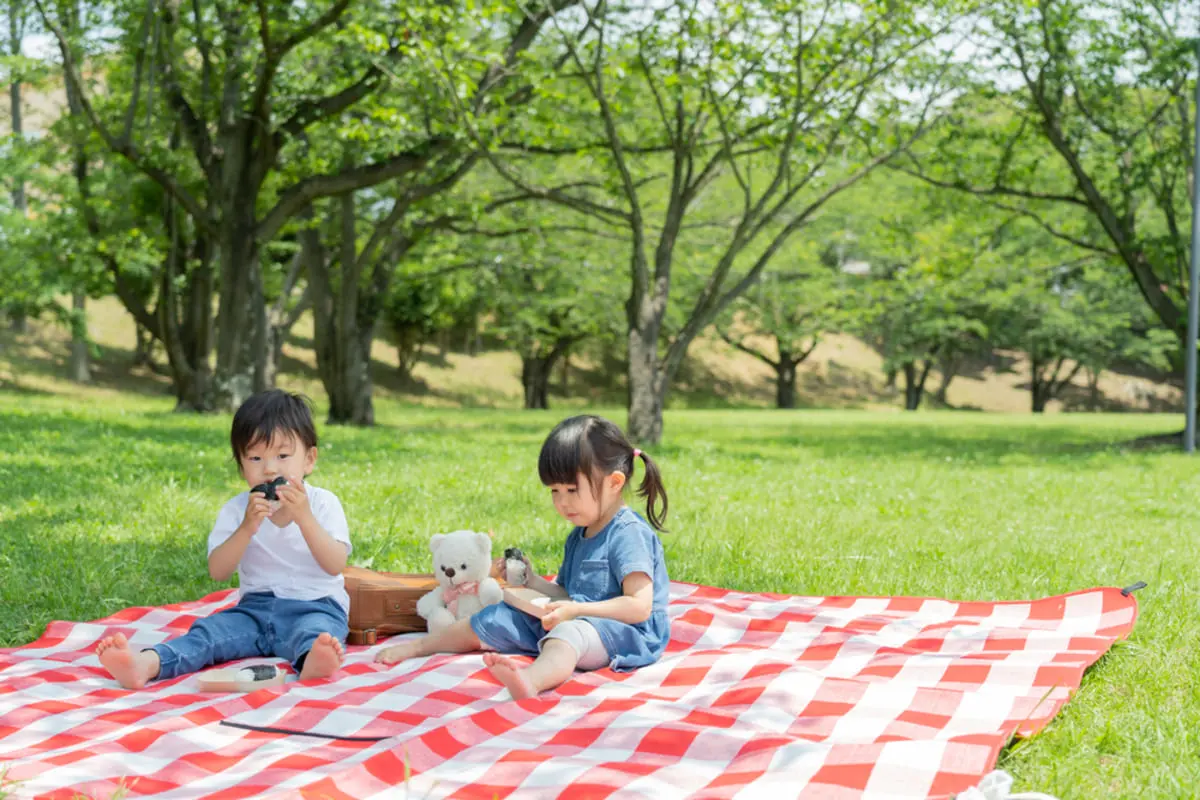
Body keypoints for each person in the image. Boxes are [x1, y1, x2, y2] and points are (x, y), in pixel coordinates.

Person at [376, 414, 671, 700]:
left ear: (614, 483)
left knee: (568, 633)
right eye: (554, 491)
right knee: (498, 615)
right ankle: (422, 647)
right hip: (575, 616)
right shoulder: (580, 533)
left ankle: (530, 681)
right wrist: (533, 582)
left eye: (571, 489)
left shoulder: (627, 533)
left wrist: (575, 612)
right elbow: (568, 593)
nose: (562, 502)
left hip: (624, 633)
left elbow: (639, 607)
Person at [95, 390, 352, 689]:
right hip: (254, 610)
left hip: (315, 605)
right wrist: (246, 528)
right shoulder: (236, 510)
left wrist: (304, 517)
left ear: (309, 459)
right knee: (208, 633)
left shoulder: (323, 504)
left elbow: (335, 565)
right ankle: (146, 664)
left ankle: (313, 662)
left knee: (318, 633)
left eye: (282, 456)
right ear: (242, 467)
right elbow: (218, 572)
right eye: (256, 458)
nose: (269, 469)